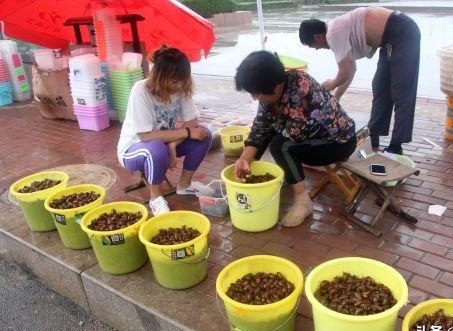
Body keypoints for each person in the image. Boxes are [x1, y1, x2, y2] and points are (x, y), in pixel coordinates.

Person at [234, 51, 356, 227]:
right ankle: (290, 179)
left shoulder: (301, 88)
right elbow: (262, 124)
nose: (255, 98)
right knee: (274, 136)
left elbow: (294, 134)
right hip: (311, 136)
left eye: (257, 94)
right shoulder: (272, 88)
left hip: (338, 142)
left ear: (275, 86)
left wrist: (262, 141)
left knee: (281, 146)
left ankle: (302, 201)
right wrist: (245, 158)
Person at [299, 8, 421, 155]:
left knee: (401, 91)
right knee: (380, 87)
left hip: (402, 31)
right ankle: (373, 137)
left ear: (318, 37)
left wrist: (332, 84)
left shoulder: (333, 33)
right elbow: (351, 69)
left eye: (312, 46)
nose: (316, 49)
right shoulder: (336, 31)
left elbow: (345, 72)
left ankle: (396, 146)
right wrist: (336, 96)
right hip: (388, 40)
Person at [116, 45, 212, 216]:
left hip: (164, 141)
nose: (180, 85)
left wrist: (174, 144)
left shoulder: (182, 88)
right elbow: (145, 136)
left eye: (183, 79)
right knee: (156, 149)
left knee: (204, 134)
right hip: (134, 148)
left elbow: (192, 121)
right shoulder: (141, 91)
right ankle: (155, 198)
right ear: (160, 78)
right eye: (174, 81)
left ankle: (185, 185)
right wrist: (185, 134)